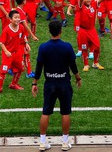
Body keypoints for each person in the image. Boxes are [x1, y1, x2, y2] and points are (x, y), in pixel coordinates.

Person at [32, 19, 81, 151]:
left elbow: (39, 67)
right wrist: (78, 78)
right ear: (61, 31)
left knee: (46, 112)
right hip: (64, 84)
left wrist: (34, 83)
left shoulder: (43, 47)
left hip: (50, 84)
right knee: (65, 112)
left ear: (49, 31)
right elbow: (73, 65)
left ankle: (42, 142)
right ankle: (65, 142)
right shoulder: (67, 47)